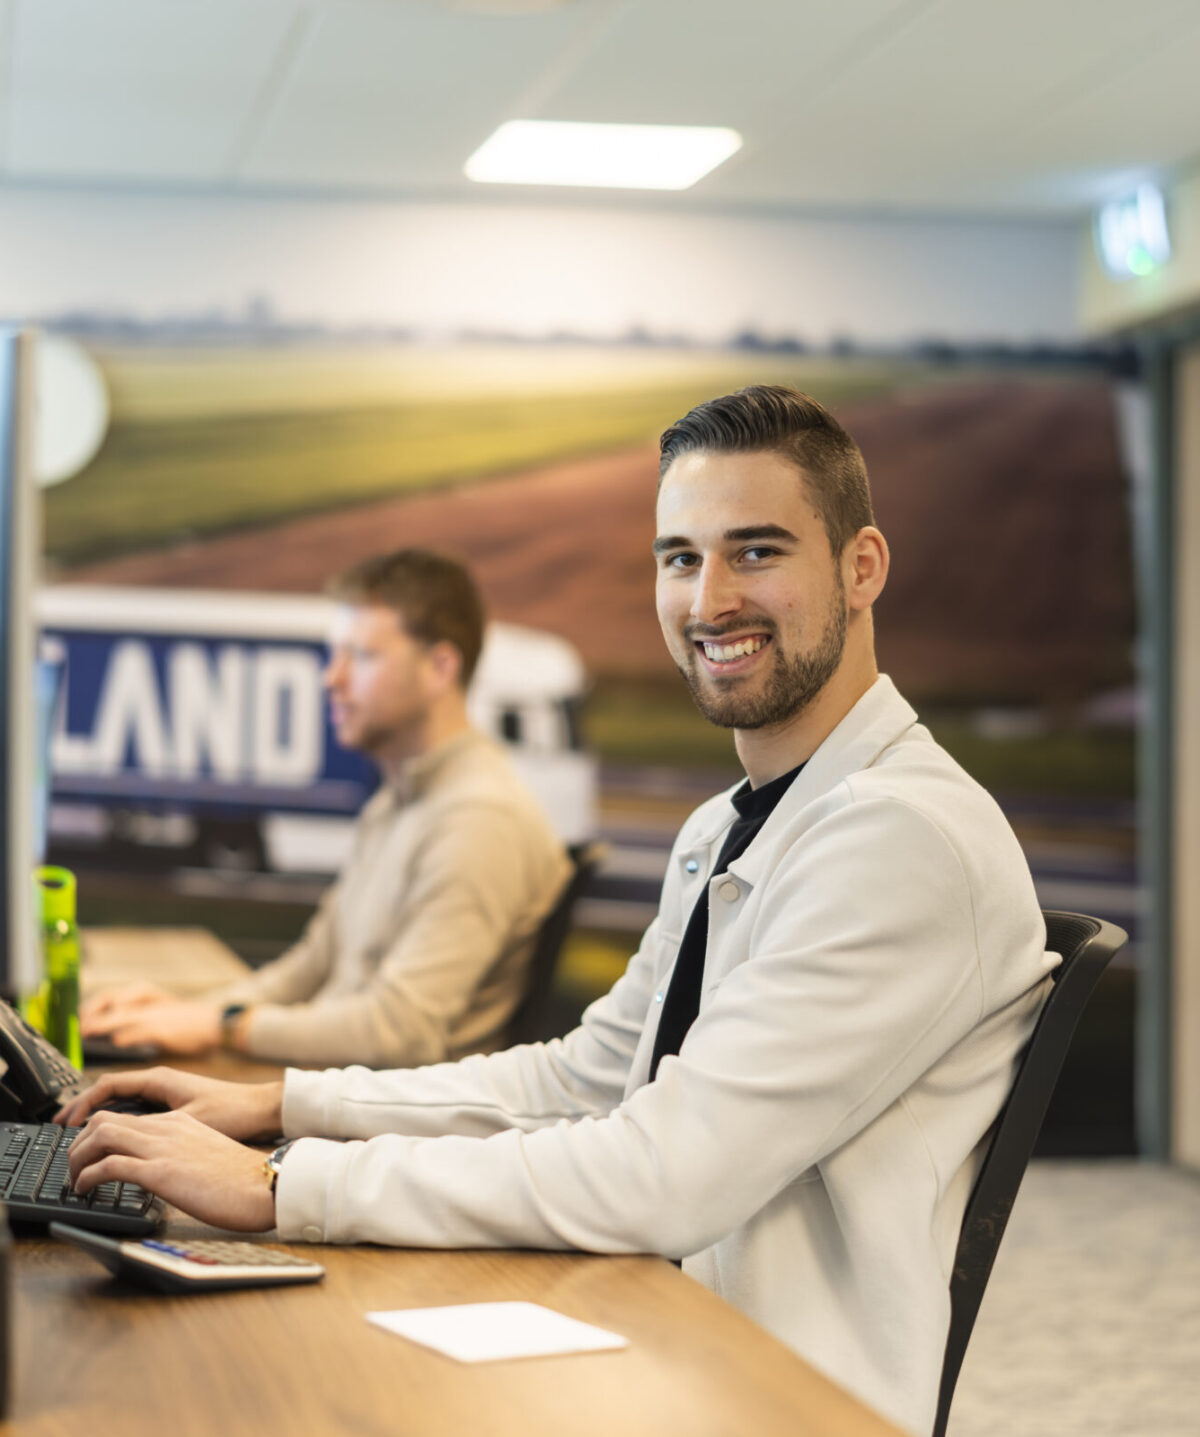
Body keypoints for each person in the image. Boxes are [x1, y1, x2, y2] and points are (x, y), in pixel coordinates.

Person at [61, 388, 1054, 1437]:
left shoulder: (900, 841)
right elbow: (578, 1081)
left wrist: (282, 1185)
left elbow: (659, 1178)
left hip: (766, 1391)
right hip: (659, 1322)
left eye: (756, 552)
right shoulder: (732, 823)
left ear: (862, 568)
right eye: (680, 558)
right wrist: (284, 1106)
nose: (709, 600)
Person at [79, 548, 570, 1069]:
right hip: (342, 1094)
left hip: (383, 1127)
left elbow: (397, 1034)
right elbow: (312, 968)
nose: (331, 679)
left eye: (360, 656)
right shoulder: (401, 798)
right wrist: (195, 1011)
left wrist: (220, 1026)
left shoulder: (478, 820)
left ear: (439, 668)